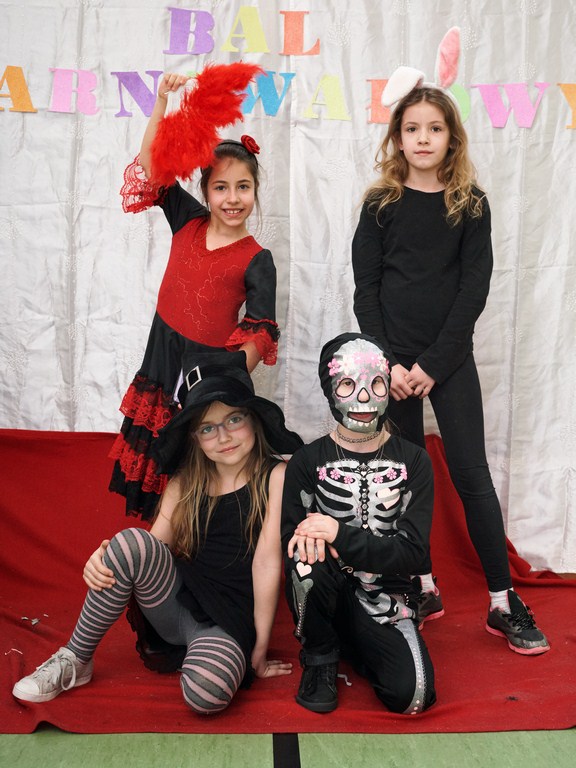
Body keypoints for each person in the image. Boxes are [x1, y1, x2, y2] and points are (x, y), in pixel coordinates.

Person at [351, 75, 549, 655]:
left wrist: (434, 364)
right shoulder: (380, 204)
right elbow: (366, 290)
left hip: (448, 362)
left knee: (471, 475)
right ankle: (423, 586)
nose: (422, 138)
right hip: (393, 370)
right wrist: (389, 364)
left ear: (451, 137)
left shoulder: (471, 204)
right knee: (404, 479)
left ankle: (502, 601)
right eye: (412, 129)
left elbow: (472, 291)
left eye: (434, 129)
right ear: (398, 137)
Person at [13, 355, 303, 713]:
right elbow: (150, 549)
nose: (223, 436)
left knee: (206, 696)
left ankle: (207, 657)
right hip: (176, 604)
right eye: (207, 428)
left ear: (253, 419)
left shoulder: (277, 475)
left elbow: (267, 562)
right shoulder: (185, 481)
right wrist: (106, 557)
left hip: (228, 621)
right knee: (129, 543)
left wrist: (258, 650)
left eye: (234, 419)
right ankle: (76, 657)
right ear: (195, 438)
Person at [110, 66, 279, 520]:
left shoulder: (257, 258)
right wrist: (162, 102)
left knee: (199, 469)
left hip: (206, 373)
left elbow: (260, 331)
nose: (232, 198)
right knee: (159, 463)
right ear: (205, 190)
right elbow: (151, 166)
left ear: (255, 192)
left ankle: (200, 540)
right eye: (221, 187)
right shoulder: (187, 219)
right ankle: (159, 545)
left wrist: (222, 384)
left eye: (243, 187)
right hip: (162, 357)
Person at [281, 333, 436, 715]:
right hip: (327, 590)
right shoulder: (307, 461)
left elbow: (414, 552)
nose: (364, 398)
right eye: (348, 384)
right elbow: (290, 541)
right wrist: (311, 541)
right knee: (305, 556)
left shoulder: (414, 461)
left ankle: (355, 643)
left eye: (376, 383)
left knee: (413, 697)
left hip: (385, 599)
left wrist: (337, 532)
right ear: (330, 390)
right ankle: (320, 654)